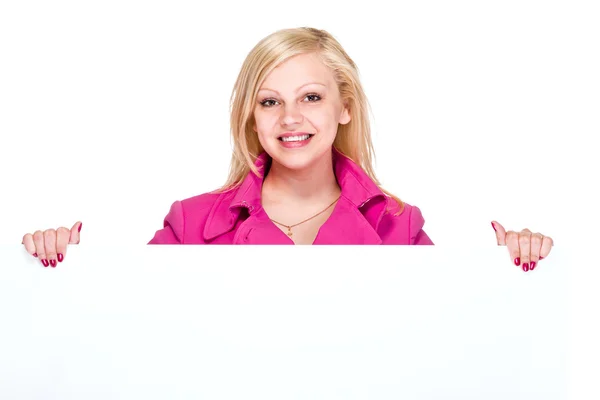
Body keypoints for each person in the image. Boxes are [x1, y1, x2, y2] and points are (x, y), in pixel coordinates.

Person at [20, 27, 554, 270]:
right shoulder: (190, 224)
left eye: (312, 97)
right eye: (270, 101)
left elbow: (450, 344)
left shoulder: (399, 225)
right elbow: (127, 329)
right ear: (252, 119)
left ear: (344, 107)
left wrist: (520, 269)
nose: (291, 118)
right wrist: (58, 267)